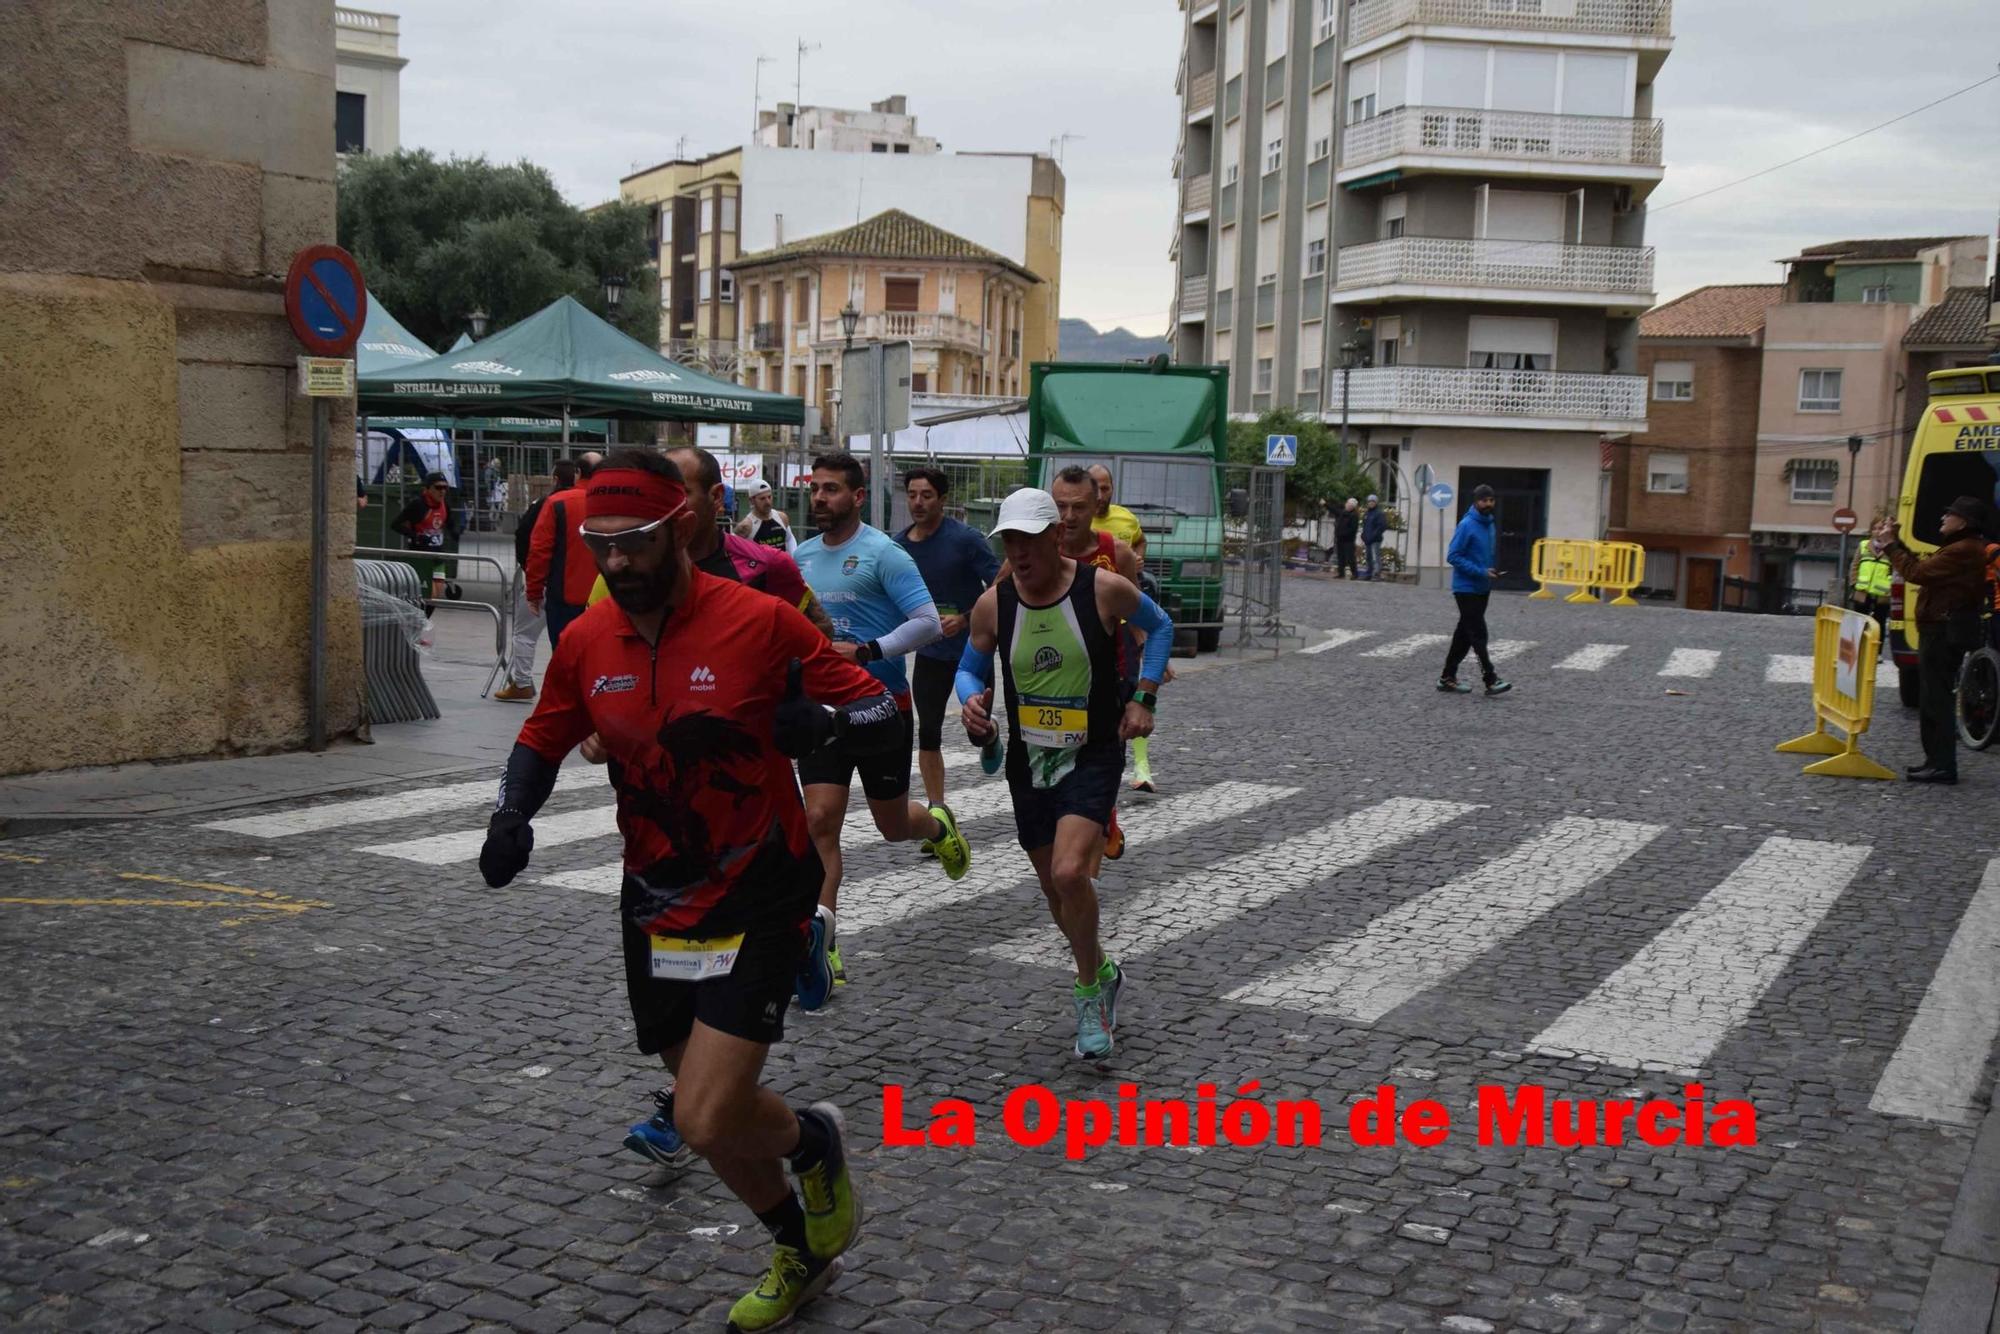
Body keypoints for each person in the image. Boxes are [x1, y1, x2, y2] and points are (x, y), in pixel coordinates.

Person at [478, 448, 882, 1329]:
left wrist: (816, 721)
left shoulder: (759, 620)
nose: (616, 564)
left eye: (634, 545)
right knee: (712, 1104)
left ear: (683, 529)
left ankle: (814, 1149)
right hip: (655, 896)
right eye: (601, 546)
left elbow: (878, 707)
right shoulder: (589, 637)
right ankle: (799, 1236)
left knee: (702, 1116)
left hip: (760, 888)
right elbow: (544, 735)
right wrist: (513, 810)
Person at [955, 488, 1175, 1059]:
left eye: (1029, 540)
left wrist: (1144, 698)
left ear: (1056, 536)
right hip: (1030, 758)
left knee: (1071, 871)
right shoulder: (994, 605)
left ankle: (1086, 994)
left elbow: (1162, 628)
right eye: (1011, 542)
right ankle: (1101, 969)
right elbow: (970, 665)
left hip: (1093, 751)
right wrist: (971, 701)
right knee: (1055, 888)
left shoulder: (1102, 589)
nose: (1020, 553)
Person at [793, 452, 971, 992]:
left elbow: (928, 624)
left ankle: (937, 825)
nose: (820, 498)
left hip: (881, 705)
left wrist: (867, 652)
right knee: (819, 821)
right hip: (822, 710)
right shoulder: (797, 556)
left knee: (892, 827)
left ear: (857, 497)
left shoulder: (883, 553)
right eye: (815, 488)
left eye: (830, 489)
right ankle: (822, 944)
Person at [585, 447, 835, 640]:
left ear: (715, 497)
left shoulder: (766, 565)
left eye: (680, 493)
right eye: (657, 495)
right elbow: (593, 648)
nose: (665, 505)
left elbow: (820, 633)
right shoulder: (622, 569)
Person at [894, 467, 1000, 811]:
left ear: (942, 499)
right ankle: (938, 809)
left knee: (977, 730)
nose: (918, 502)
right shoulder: (898, 546)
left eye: (926, 495)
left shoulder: (965, 540)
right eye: (912, 495)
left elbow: (1000, 586)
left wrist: (966, 619)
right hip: (930, 655)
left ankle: (990, 738)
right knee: (928, 732)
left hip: (973, 652)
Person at [1873, 496, 1992, 784]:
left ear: (1963, 522)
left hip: (1942, 630)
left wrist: (1890, 546)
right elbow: (1920, 565)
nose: (1943, 519)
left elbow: (1917, 573)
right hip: (1939, 627)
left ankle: (1942, 766)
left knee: (1936, 698)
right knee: (1931, 698)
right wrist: (1897, 542)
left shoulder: (1963, 549)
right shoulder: (1960, 547)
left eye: (1949, 515)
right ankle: (1935, 761)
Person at [493, 459, 575, 703]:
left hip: (548, 581)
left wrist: (529, 571)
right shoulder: (588, 504)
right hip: (576, 584)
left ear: (555, 479)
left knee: (525, 633)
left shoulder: (547, 504)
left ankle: (523, 682)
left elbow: (527, 538)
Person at [1437, 485, 1512, 697]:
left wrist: (1489, 573)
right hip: (1466, 588)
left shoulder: (1490, 524)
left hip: (1482, 587)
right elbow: (1453, 556)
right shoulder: (1467, 525)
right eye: (1484, 500)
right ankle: (1490, 679)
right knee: (1478, 633)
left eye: (1491, 500)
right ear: (1476, 501)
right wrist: (1480, 571)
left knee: (1464, 635)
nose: (1488, 504)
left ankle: (1447, 677)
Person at [525, 454, 600, 647]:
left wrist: (534, 592)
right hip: (605, 599)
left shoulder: (557, 503)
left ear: (578, 472)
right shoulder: (614, 502)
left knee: (564, 654)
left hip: (565, 598)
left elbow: (539, 550)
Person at [390, 471, 458, 600]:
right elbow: (395, 524)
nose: (442, 491)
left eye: (445, 487)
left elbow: (450, 523)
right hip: (419, 557)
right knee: (425, 595)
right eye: (438, 487)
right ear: (427, 489)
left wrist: (455, 532)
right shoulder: (418, 505)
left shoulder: (445, 505)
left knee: (435, 596)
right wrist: (415, 536)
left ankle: (423, 619)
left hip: (438, 556)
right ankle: (419, 619)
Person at [1086, 463, 1146, 560]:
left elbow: (1141, 542)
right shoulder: (1076, 521)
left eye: (1105, 489)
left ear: (1112, 489)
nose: (1100, 496)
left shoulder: (1127, 517)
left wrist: (1137, 558)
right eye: (1094, 489)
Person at [736, 479, 798, 554]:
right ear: (752, 500)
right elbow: (734, 550)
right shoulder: (746, 526)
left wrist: (793, 559)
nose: (768, 502)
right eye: (762, 499)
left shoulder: (782, 517)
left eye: (769, 497)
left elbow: (789, 539)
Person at [1851, 540, 1893, 646]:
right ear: (1871, 531)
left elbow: (1895, 570)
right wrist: (1854, 583)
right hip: (1863, 591)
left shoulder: (1892, 547)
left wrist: (1890, 587)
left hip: (1882, 593)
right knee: (1859, 622)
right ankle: (1857, 648)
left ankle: (1877, 652)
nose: (1878, 531)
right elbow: (1855, 566)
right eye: (1876, 528)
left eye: (1881, 528)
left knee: (1879, 624)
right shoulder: (1864, 545)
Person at [1360, 495, 1388, 581]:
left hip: (1375, 539)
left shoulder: (1379, 513)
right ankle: (1369, 573)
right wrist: (1363, 535)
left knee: (1375, 557)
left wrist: (1373, 535)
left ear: (1376, 503)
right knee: (1368, 557)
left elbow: (1382, 526)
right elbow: (1364, 526)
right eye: (1369, 501)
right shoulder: (1367, 513)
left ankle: (1376, 574)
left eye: (1373, 501)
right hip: (1368, 539)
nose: (1371, 503)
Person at [1332, 498, 1360, 579]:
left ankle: (1355, 574)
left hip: (1348, 540)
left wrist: (1344, 534)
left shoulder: (1354, 516)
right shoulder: (1343, 512)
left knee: (1350, 558)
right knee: (1341, 557)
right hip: (1340, 539)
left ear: (1353, 507)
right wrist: (1325, 504)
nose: (1348, 505)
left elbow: (1353, 529)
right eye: (1348, 504)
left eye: (1350, 505)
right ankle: (1341, 573)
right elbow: (1334, 510)